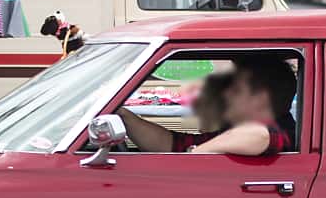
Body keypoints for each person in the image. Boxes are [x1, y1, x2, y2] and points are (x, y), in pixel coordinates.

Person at [118, 60, 296, 155]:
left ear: (260, 99)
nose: (225, 95)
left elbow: (262, 135)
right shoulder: (234, 132)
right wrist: (125, 116)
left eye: (235, 89)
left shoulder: (280, 132)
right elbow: (173, 145)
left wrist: (195, 156)